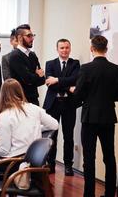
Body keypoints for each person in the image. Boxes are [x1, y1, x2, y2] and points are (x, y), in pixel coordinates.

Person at [72, 35, 118, 197]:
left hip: (89, 118)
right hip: (108, 117)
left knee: (89, 157)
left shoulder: (86, 68)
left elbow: (79, 94)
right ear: (106, 49)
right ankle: (109, 193)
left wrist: (75, 91)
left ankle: (89, 194)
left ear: (91, 49)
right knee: (109, 156)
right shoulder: (116, 69)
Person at [42, 38, 80, 176]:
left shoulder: (75, 64)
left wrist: (57, 80)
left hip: (69, 104)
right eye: (62, 48)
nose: (64, 50)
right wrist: (68, 85)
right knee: (52, 136)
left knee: (68, 137)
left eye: (67, 47)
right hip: (53, 104)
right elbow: (49, 82)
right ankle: (50, 164)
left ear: (70, 48)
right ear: (57, 49)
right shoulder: (50, 64)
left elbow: (76, 78)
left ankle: (68, 166)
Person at [9, 24, 45, 105]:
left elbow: (42, 80)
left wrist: (35, 76)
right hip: (20, 100)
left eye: (32, 36)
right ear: (20, 37)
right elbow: (27, 79)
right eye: (29, 36)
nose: (32, 39)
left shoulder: (32, 55)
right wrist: (37, 75)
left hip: (34, 99)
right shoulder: (15, 55)